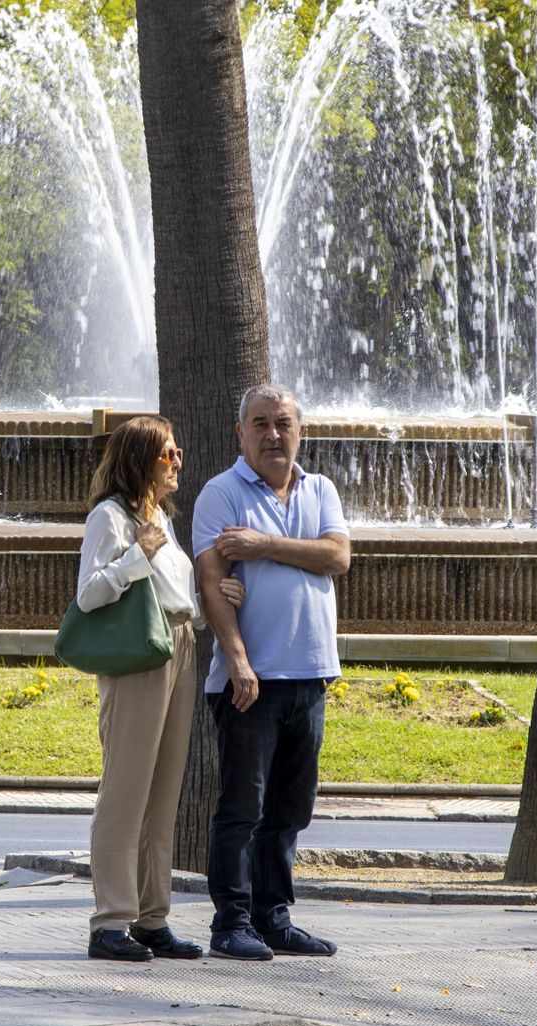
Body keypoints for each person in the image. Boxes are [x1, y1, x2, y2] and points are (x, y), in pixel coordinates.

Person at [75, 415, 242, 963]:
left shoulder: (161, 519)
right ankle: (109, 923)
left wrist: (218, 591)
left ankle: (152, 919)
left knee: (163, 792)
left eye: (177, 451)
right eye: (167, 453)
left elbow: (177, 588)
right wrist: (135, 555)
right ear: (140, 459)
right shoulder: (111, 518)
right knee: (125, 792)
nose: (177, 461)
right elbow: (89, 597)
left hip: (180, 645)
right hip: (138, 651)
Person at [192, 384, 350, 962]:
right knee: (242, 808)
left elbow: (338, 556)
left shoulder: (321, 489)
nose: (272, 435)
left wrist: (263, 544)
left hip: (310, 675)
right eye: (259, 423)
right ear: (241, 433)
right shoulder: (221, 493)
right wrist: (236, 661)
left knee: (291, 808)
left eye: (282, 423)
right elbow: (213, 584)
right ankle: (231, 922)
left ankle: (274, 917)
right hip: (250, 680)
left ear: (299, 430)